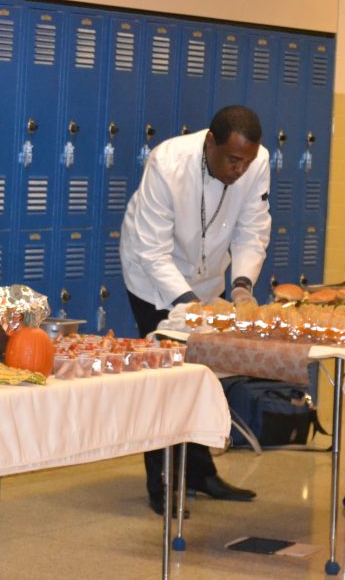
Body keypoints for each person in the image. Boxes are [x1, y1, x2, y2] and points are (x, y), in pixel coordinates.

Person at [119, 104, 270, 514]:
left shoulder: (257, 163)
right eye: (233, 160)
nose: (240, 170)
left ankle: (201, 472)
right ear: (210, 143)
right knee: (165, 375)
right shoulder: (167, 163)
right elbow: (151, 249)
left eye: (247, 161)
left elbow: (252, 229)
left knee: (206, 374)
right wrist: (189, 308)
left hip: (207, 280)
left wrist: (241, 286)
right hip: (153, 278)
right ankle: (161, 481)